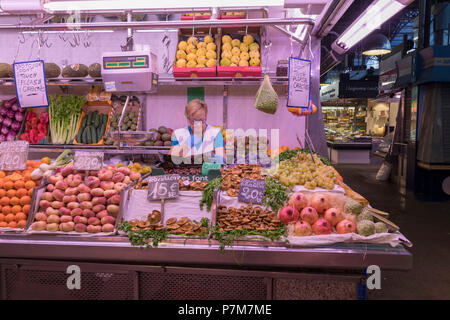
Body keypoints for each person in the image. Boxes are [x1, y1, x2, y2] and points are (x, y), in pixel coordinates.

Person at [169, 99, 225, 164]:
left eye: (201, 120)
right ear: (188, 119)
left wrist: (212, 158)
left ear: (206, 117)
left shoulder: (215, 133)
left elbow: (222, 159)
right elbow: (171, 159)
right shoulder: (178, 134)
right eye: (194, 121)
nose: (198, 124)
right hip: (185, 173)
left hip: (208, 172)